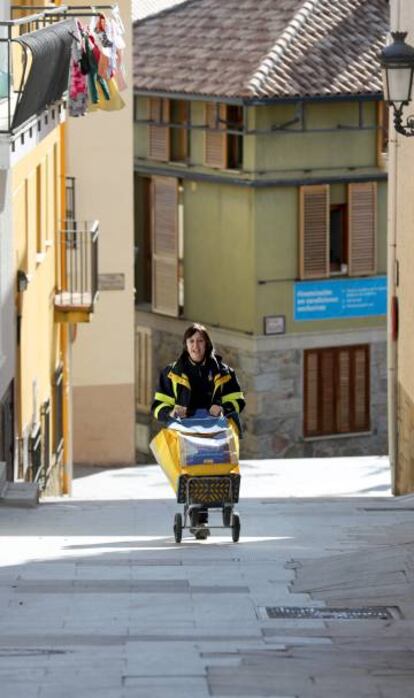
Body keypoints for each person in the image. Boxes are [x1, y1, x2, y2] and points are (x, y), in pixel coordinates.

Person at [152, 322, 245, 539]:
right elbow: (157, 407)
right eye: (192, 341)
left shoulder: (224, 372)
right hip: (187, 435)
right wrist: (173, 412)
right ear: (186, 345)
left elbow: (238, 401)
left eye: (200, 341)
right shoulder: (171, 373)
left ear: (207, 344)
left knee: (216, 469)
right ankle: (197, 517)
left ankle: (211, 510)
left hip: (218, 434)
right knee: (195, 471)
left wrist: (223, 407)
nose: (196, 346)